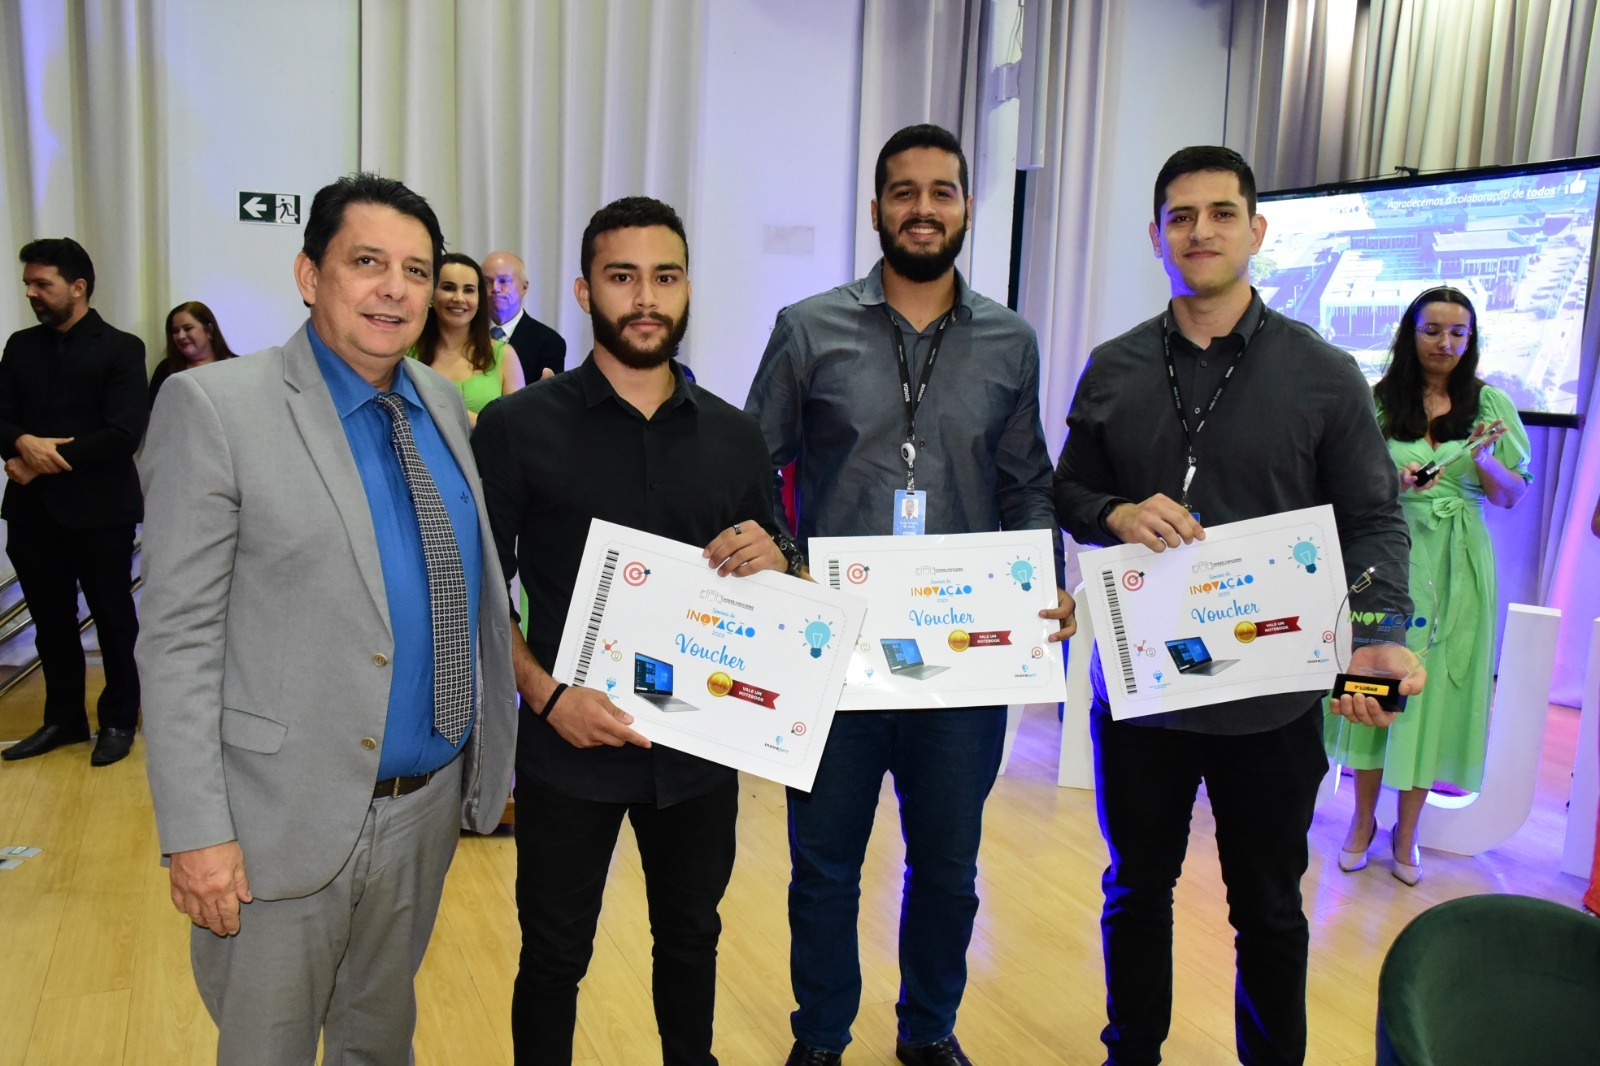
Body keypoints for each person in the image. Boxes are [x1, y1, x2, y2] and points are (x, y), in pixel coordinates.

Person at [136, 172, 517, 1062]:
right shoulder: (216, 409)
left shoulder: (438, 406)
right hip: (279, 824)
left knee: (378, 1042)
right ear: (310, 275)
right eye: (367, 262)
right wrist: (197, 834)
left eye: (416, 271)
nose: (395, 288)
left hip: (421, 811)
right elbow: (179, 639)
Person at [1052, 145, 1418, 1066]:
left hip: (1273, 700)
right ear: (1157, 236)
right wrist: (1119, 512)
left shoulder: (1324, 375)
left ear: (1255, 231)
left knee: (1268, 907)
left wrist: (1375, 635)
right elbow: (1068, 493)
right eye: (1181, 216)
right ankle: (1128, 1052)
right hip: (1142, 696)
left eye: (1221, 214)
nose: (1200, 231)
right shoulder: (1114, 367)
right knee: (1136, 888)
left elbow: (1372, 519)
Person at [744, 124, 1074, 1066]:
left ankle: (928, 1030)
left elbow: (1026, 485)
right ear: (878, 207)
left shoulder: (1010, 339)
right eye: (904, 192)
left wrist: (1043, 583)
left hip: (963, 663)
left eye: (942, 192)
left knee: (949, 873)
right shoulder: (808, 328)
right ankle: (820, 1037)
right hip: (837, 660)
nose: (923, 209)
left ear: (967, 207)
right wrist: (781, 553)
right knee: (824, 869)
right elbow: (750, 463)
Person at [473, 196, 800, 1066]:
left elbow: (774, 583)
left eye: (665, 276)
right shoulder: (517, 429)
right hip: (566, 748)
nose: (645, 297)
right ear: (585, 292)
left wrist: (778, 559)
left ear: (688, 287)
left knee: (692, 942)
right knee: (554, 957)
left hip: (699, 754)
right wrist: (545, 699)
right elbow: (475, 589)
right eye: (623, 278)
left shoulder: (736, 437)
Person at [1326, 286, 1531, 886]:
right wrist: (1394, 479)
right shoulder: (1379, 400)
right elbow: (1344, 479)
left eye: (1458, 333)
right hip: (1387, 553)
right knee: (1376, 682)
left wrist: (1489, 461)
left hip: (1460, 565)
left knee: (1436, 693)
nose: (1445, 343)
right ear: (1409, 334)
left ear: (1471, 339)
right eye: (1432, 330)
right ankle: (1361, 820)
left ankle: (1407, 831)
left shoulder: (1491, 403)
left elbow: (1512, 494)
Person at [0, 238, 146, 767]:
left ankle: (117, 720)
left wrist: (33, 458)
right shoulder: (20, 345)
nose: (32, 294)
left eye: (43, 284)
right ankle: (62, 720)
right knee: (50, 623)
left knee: (113, 619)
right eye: (28, 285)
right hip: (33, 513)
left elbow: (122, 433)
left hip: (99, 510)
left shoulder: (121, 347)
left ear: (77, 287)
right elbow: (2, 416)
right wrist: (21, 444)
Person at [412, 252, 525, 423]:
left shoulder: (504, 355)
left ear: (479, 300)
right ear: (431, 295)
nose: (459, 298)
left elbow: (517, 428)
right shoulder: (406, 354)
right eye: (448, 288)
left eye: (469, 290)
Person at [483, 248, 566, 383]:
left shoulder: (548, 343)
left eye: (504, 281)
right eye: (487, 282)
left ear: (524, 288)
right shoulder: (466, 334)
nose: (495, 288)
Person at [149, 301, 239, 402]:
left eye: (188, 328)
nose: (180, 336)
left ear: (209, 330)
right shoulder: (166, 369)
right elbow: (154, 414)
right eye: (175, 331)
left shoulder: (237, 366)